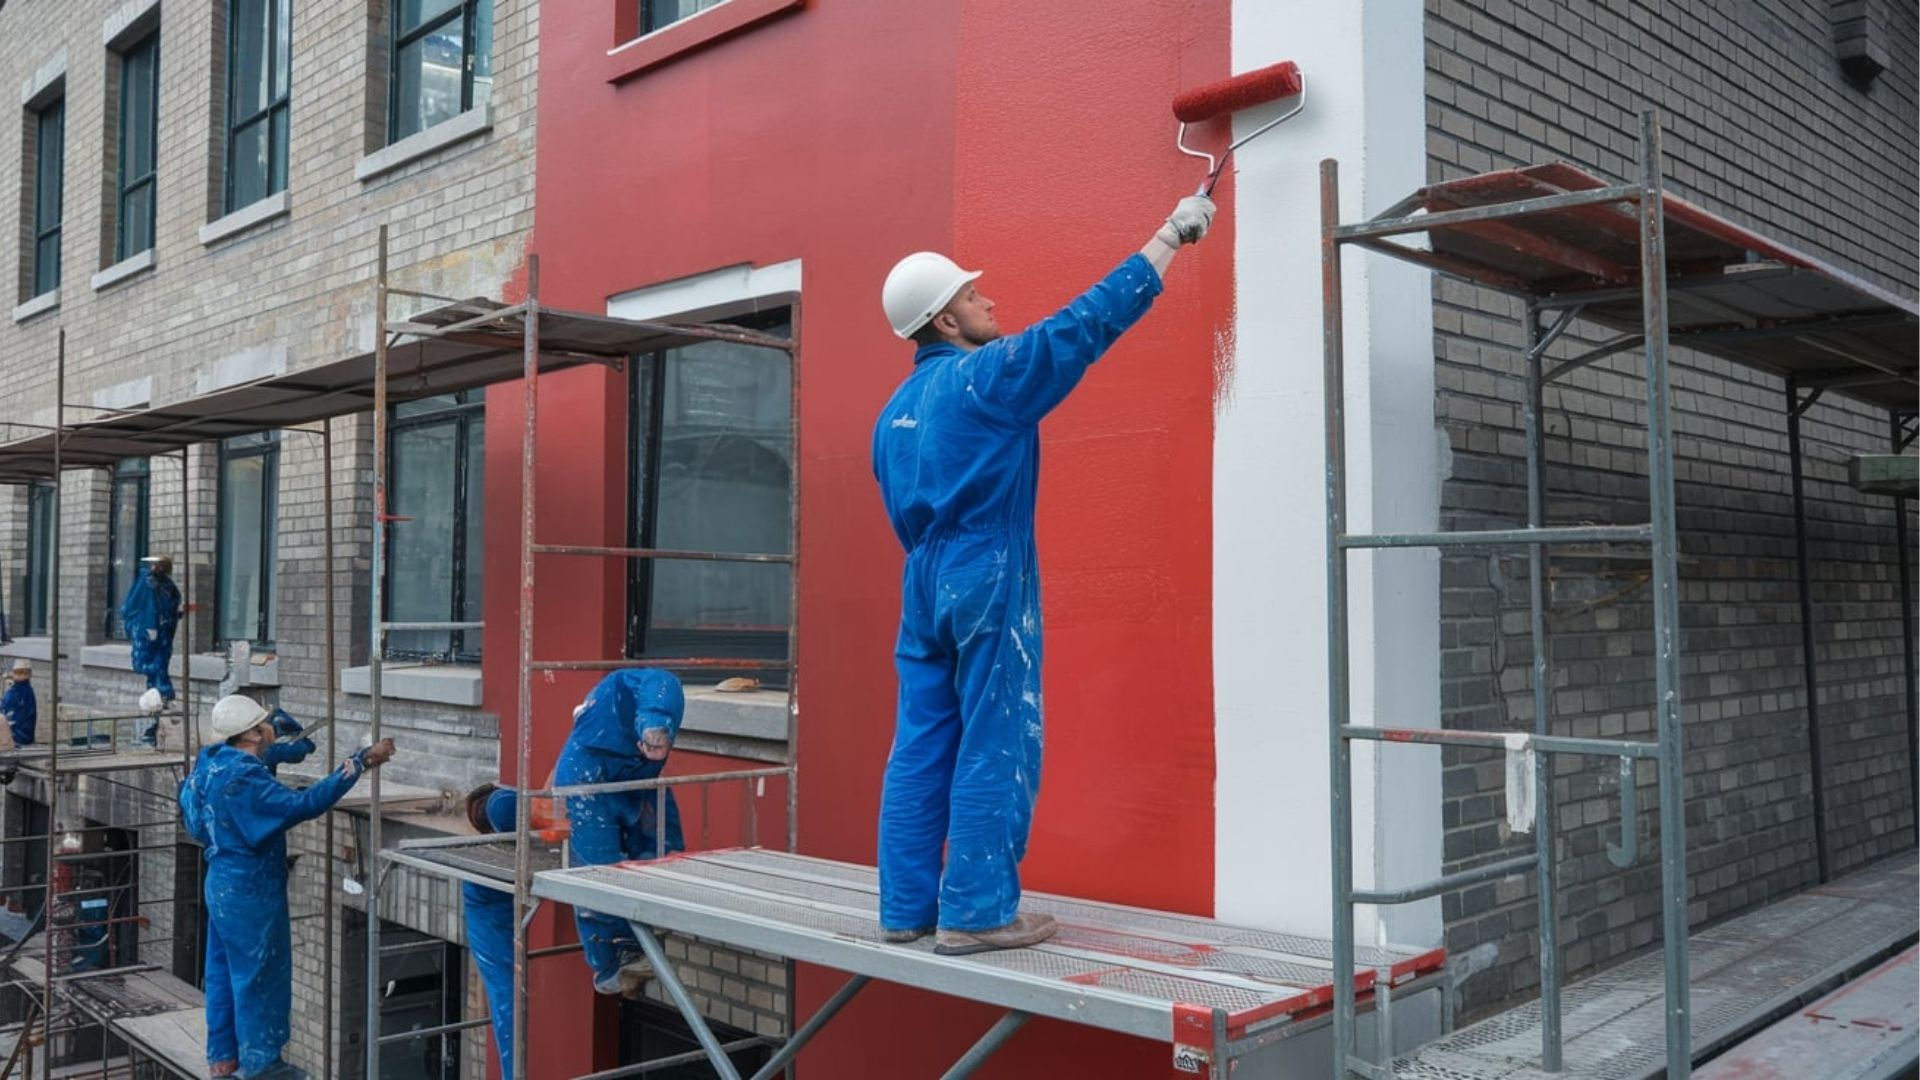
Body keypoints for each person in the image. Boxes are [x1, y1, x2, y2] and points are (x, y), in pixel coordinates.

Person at [870, 195, 1216, 955]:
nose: (988, 300)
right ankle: (977, 912)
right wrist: (1168, 239)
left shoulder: (892, 412)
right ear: (945, 321)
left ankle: (905, 909)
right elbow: (1080, 328)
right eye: (972, 296)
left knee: (921, 740)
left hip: (922, 580)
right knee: (997, 733)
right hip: (985, 567)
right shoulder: (984, 379)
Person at [181, 694, 394, 1079]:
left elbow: (202, 813)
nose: (269, 728)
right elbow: (303, 804)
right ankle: (262, 1066)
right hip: (251, 887)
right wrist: (358, 762)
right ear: (252, 734)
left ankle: (223, 1057)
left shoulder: (210, 762)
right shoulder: (244, 779)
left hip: (222, 881)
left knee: (223, 971)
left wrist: (285, 745)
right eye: (263, 724)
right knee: (259, 975)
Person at [554, 669, 685, 995]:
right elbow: (658, 695)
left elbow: (660, 694)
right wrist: (654, 731)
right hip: (590, 780)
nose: (656, 747)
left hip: (633, 775)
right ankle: (615, 957)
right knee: (598, 871)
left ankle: (641, 939)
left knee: (662, 850)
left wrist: (654, 732)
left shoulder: (653, 692)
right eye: (651, 742)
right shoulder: (624, 695)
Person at [462, 783, 518, 1078]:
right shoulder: (491, 857)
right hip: (494, 938)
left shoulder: (490, 849)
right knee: (507, 1006)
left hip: (492, 938)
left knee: (504, 1004)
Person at [122, 555, 182, 746]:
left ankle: (159, 705)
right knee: (155, 670)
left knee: (157, 670)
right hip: (150, 633)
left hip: (160, 635)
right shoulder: (147, 584)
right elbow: (133, 608)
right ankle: (159, 702)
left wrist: (175, 615)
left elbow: (170, 606)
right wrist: (146, 628)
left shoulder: (166, 586)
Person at [0, 660, 34, 747]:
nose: (20, 675)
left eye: (23, 672)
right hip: (18, 737)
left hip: (17, 737)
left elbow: (6, 709)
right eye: (18, 672)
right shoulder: (17, 690)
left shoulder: (22, 692)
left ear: (29, 674)